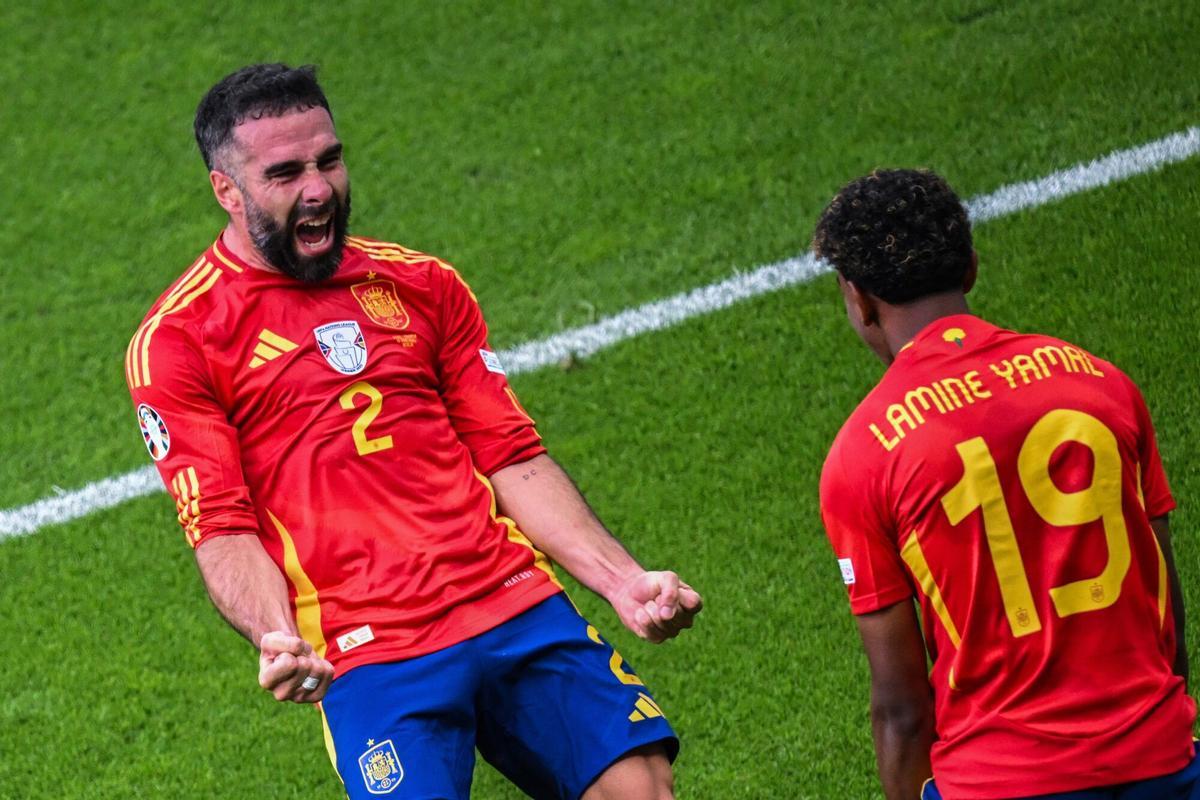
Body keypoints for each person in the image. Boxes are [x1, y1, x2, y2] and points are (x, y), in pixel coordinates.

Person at [125, 63, 701, 800]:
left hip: (510, 598)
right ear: (226, 191)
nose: (318, 189)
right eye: (285, 172)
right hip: (371, 652)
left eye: (330, 160)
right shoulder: (181, 338)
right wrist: (277, 635)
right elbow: (223, 526)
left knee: (642, 791)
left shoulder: (421, 285)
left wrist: (623, 582)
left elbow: (511, 455)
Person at [813, 169, 1196, 800]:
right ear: (970, 267)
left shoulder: (865, 452)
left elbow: (902, 707)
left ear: (858, 299)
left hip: (1000, 782)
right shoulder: (1101, 384)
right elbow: (1165, 614)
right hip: (1161, 759)